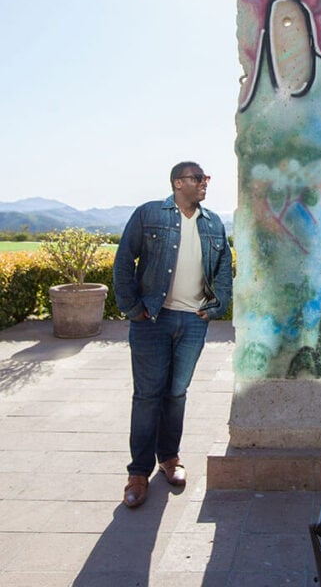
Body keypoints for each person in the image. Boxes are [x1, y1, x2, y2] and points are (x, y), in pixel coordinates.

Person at [113, 161, 233, 508]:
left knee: (176, 393)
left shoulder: (213, 224)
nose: (204, 184)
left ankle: (169, 458)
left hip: (193, 322)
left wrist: (216, 306)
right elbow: (123, 262)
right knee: (148, 395)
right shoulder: (149, 214)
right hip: (152, 320)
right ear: (178, 182)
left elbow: (223, 268)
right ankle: (137, 473)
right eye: (198, 178)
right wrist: (132, 307)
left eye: (206, 179)